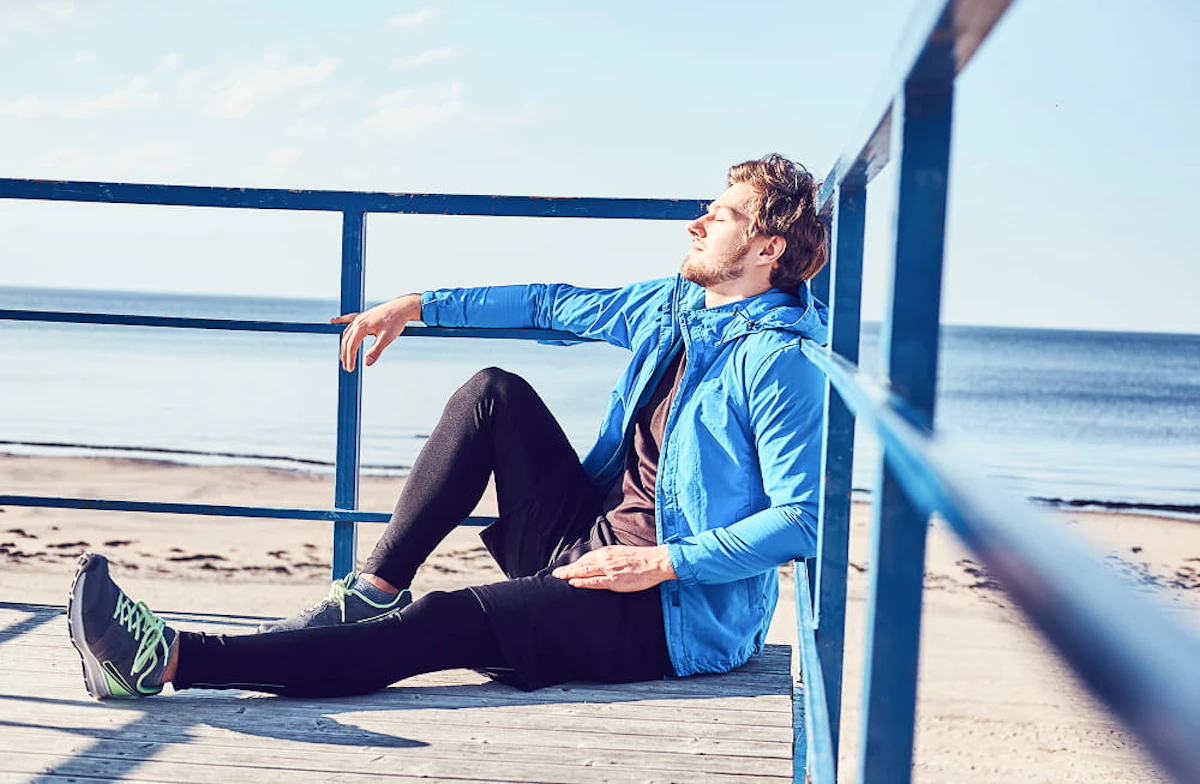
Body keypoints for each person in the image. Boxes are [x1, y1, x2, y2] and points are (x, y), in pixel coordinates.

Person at [67, 152, 830, 700]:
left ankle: (168, 661)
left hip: (662, 611)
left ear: (768, 248)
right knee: (492, 392)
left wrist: (664, 562)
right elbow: (548, 303)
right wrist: (419, 304)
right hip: (589, 537)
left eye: (720, 216)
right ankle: (374, 589)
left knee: (444, 620)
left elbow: (802, 521)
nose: (696, 223)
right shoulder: (676, 307)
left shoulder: (779, 363)